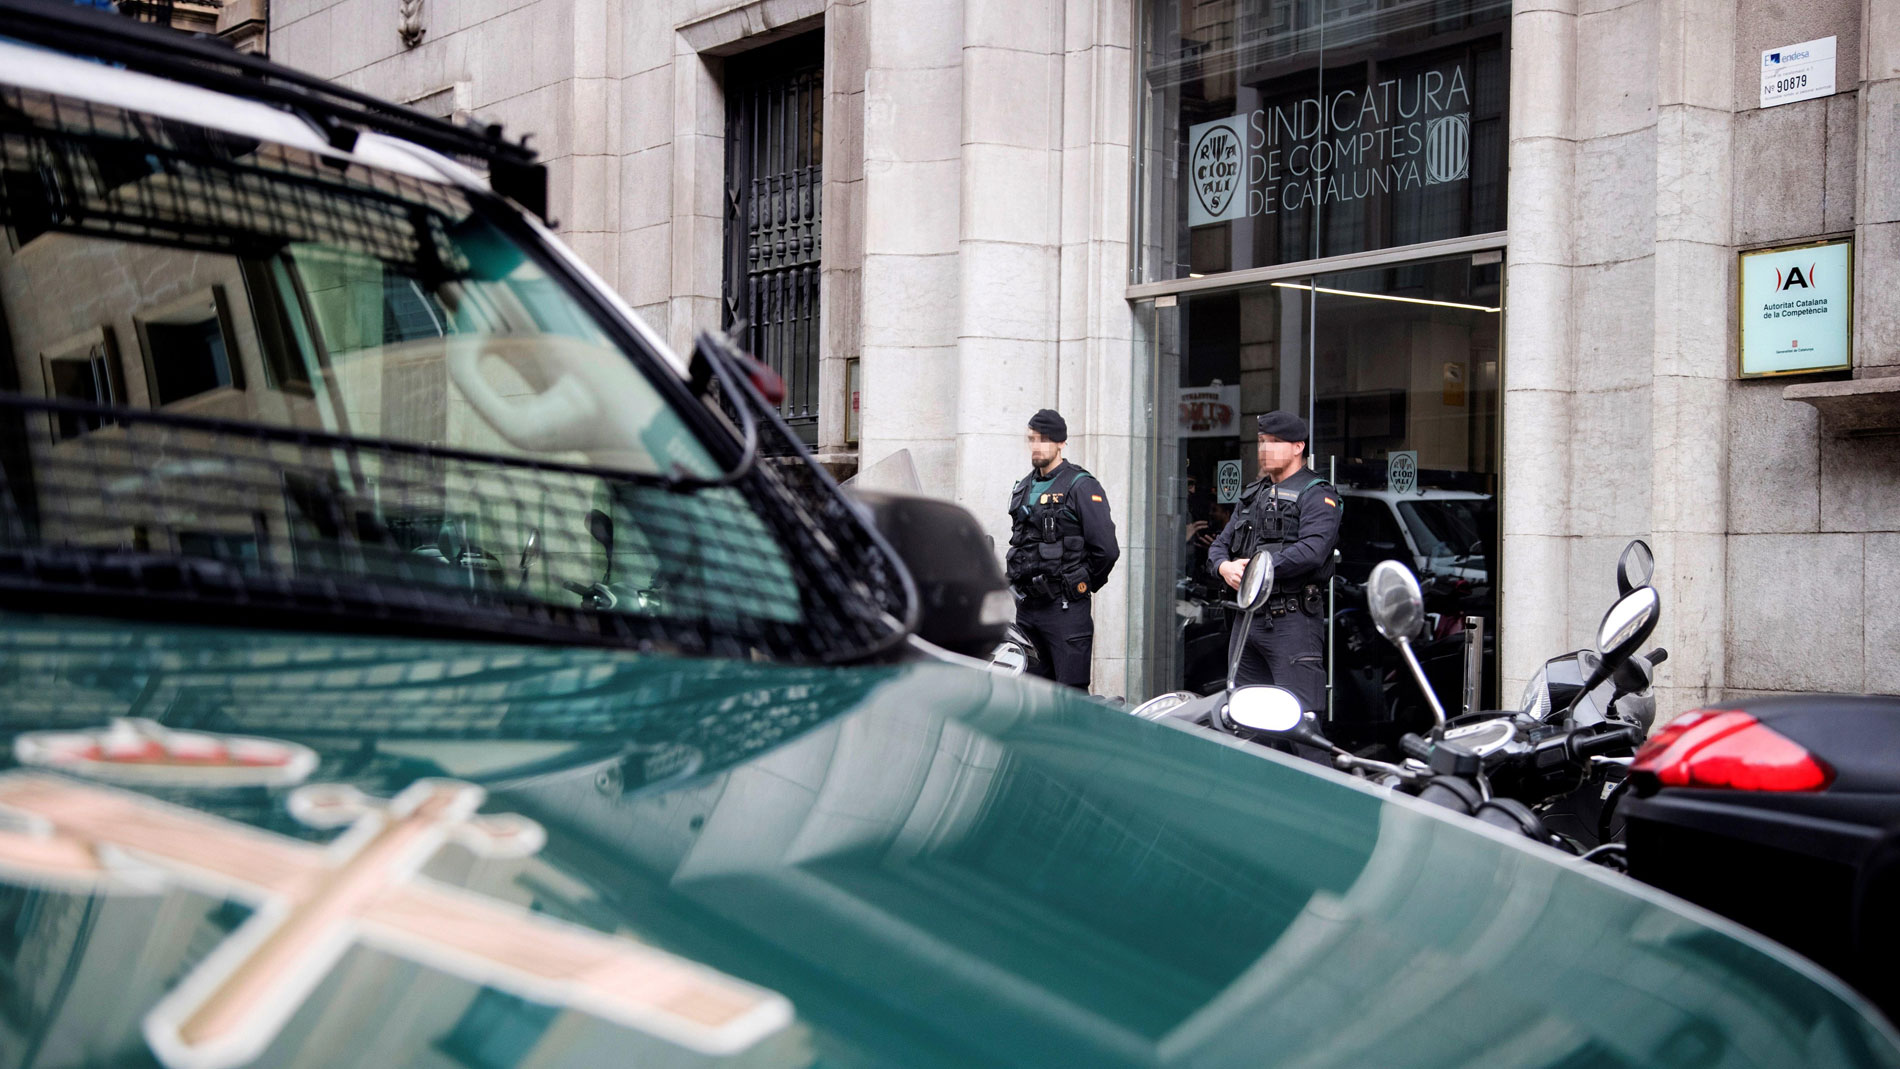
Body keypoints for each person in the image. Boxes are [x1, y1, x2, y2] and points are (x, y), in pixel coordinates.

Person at [1206, 410, 1342, 711]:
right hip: (1246, 621)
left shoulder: (1316, 494)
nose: (1265, 449)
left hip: (1291, 622)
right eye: (1262, 441)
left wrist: (1257, 568)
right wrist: (1224, 567)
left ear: (1298, 447)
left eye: (1276, 442)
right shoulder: (1254, 495)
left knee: (1299, 720)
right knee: (1245, 718)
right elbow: (1219, 546)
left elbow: (1312, 551)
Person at [1005, 409, 1119, 690]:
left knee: (1070, 695)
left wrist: (1077, 584)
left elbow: (1106, 550)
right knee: (1030, 696)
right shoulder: (1023, 487)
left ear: (1061, 442)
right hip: (1028, 609)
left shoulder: (1081, 485)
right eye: (1032, 439)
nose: (1036, 445)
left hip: (1064, 609)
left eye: (1044, 439)